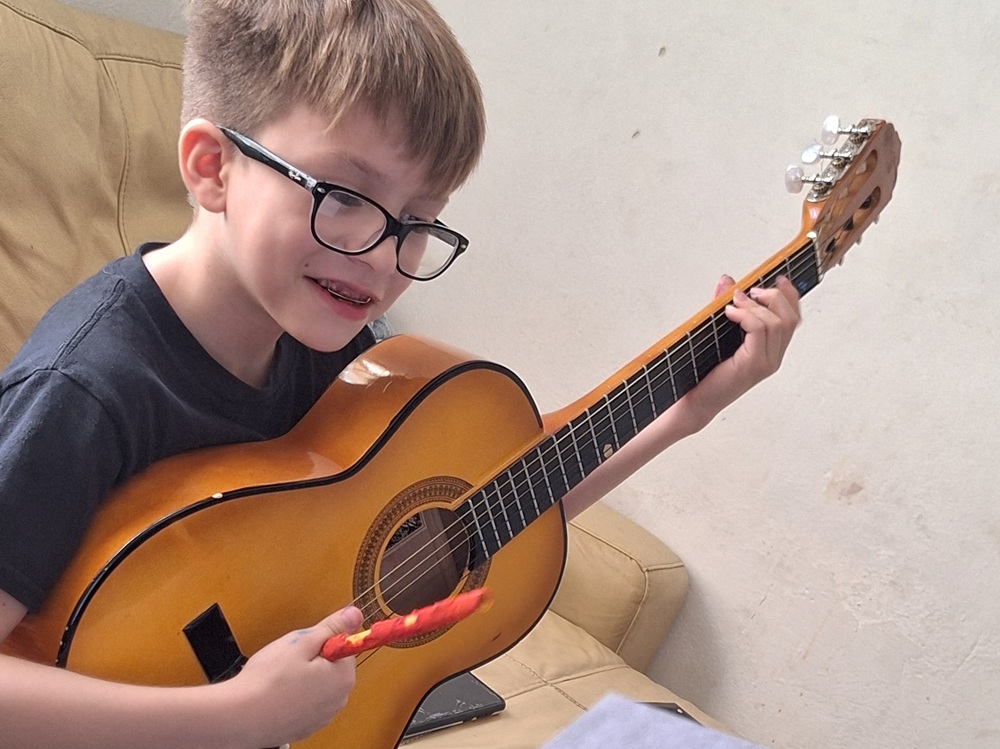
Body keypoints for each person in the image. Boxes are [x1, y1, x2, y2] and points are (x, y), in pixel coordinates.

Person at [0, 0, 801, 747]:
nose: (384, 259)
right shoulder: (86, 389)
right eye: (346, 195)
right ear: (213, 168)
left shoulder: (328, 342)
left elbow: (487, 513)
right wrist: (231, 714)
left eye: (420, 221)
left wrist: (686, 411)